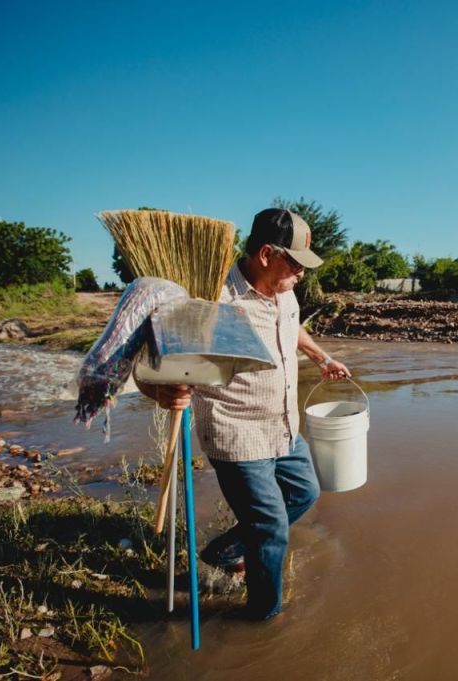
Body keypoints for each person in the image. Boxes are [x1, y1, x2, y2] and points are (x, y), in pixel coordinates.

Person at [139, 207, 351, 621]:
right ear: (267, 254)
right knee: (270, 527)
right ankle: (264, 619)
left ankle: (223, 552)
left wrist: (320, 356)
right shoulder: (213, 299)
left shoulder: (285, 291)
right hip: (236, 431)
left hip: (284, 425)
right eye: (296, 263)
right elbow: (149, 362)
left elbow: (291, 326)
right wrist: (163, 392)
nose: (302, 274)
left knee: (305, 493)